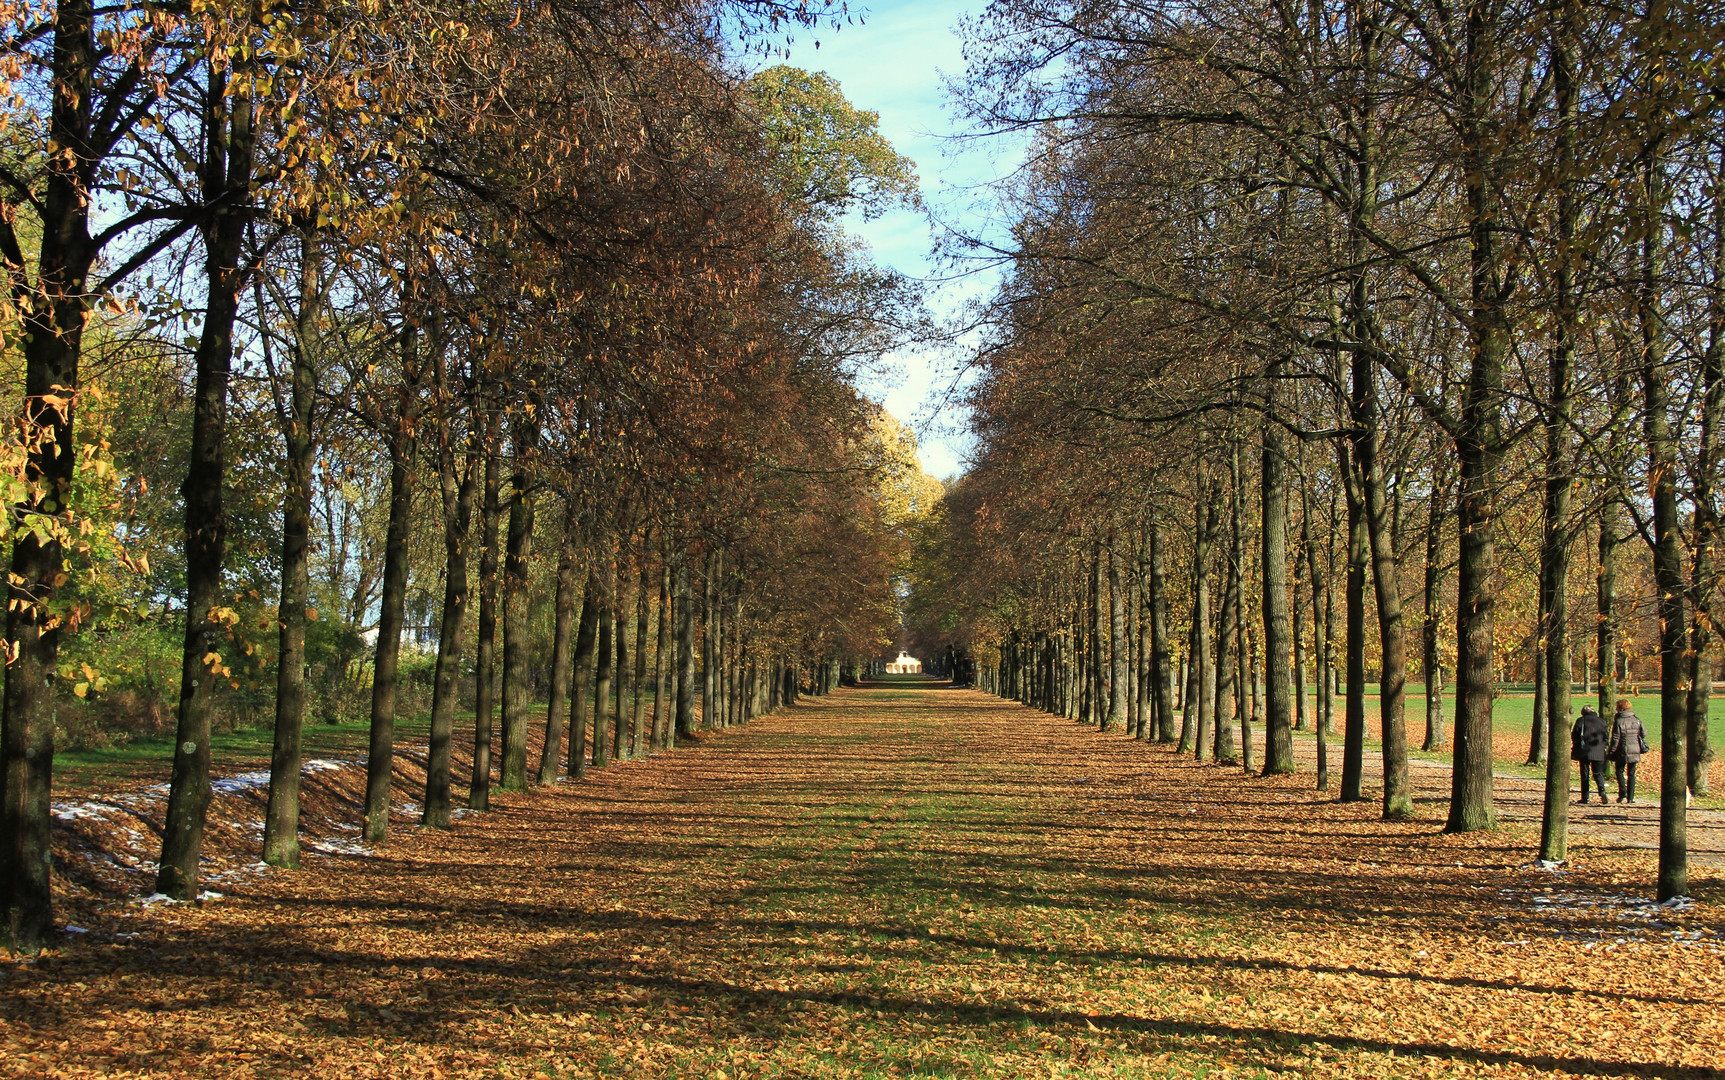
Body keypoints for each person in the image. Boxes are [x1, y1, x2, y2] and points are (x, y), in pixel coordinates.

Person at [1606, 698, 1650, 804]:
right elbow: (1644, 733)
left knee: (1619, 771)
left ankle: (1623, 792)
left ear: (1620, 708)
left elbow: (1615, 737)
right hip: (1635, 748)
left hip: (1622, 749)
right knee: (1631, 773)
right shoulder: (1636, 719)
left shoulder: (1619, 721)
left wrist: (1612, 751)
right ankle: (1631, 797)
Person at [1570, 704, 1610, 804]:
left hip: (1584, 751)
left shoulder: (1581, 720)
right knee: (1598, 773)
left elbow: (1575, 735)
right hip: (1598, 750)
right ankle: (1602, 791)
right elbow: (1606, 736)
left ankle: (1585, 797)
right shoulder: (1601, 721)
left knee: (1585, 774)